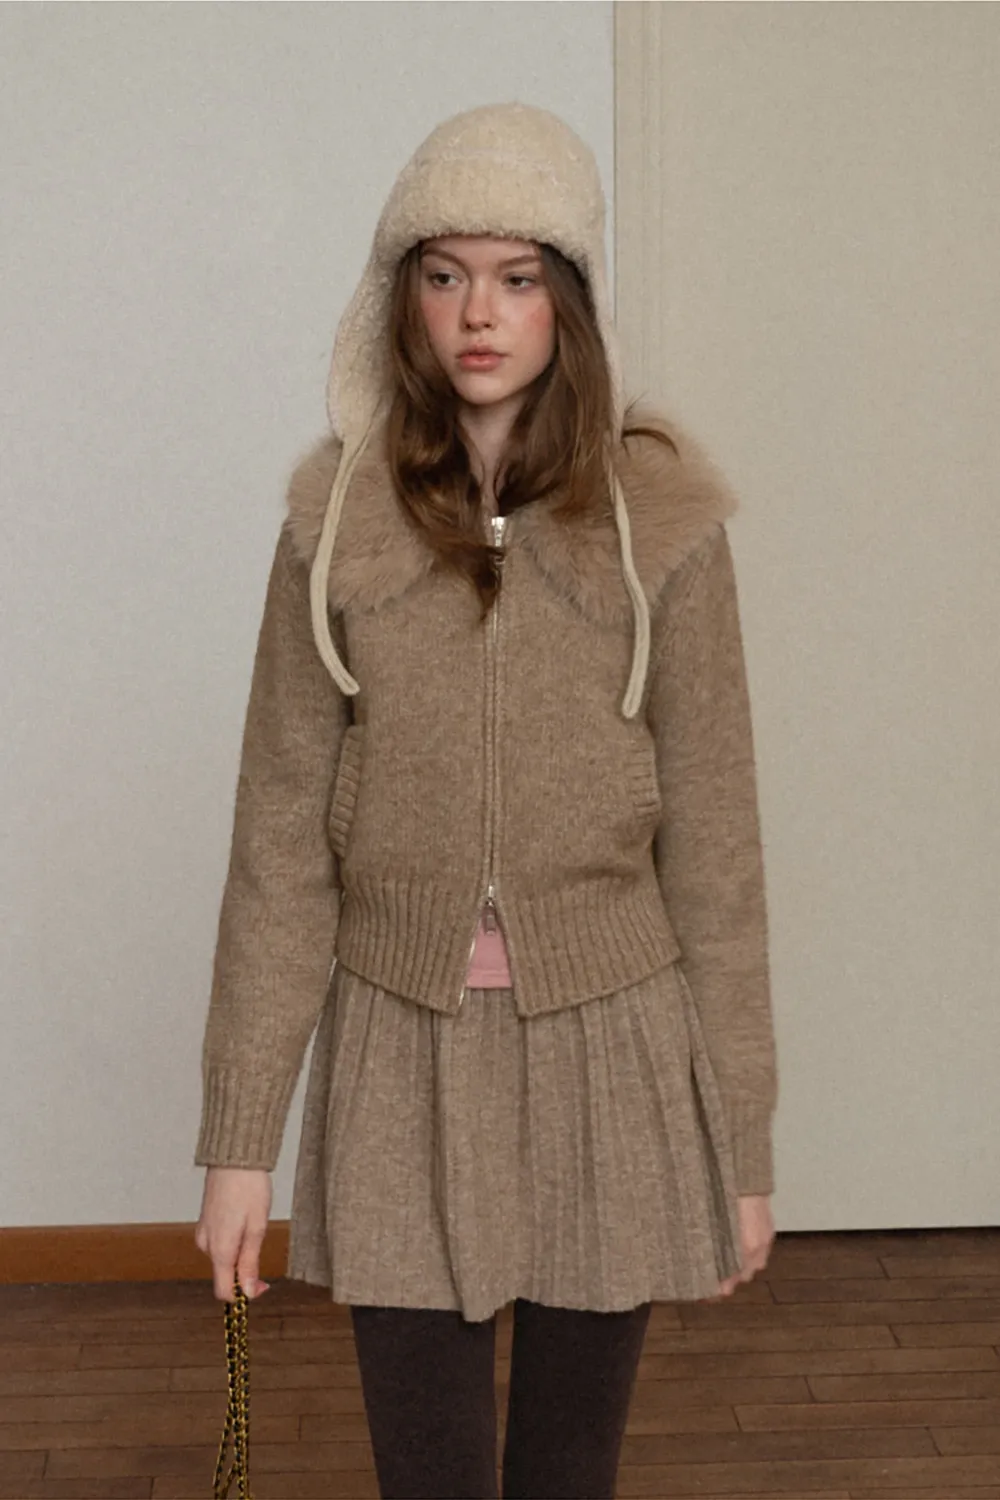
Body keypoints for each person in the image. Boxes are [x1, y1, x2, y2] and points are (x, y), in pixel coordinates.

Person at [193, 101, 779, 1500]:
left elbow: (718, 849)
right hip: (397, 1040)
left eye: (517, 278)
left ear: (568, 300)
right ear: (399, 297)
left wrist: (743, 1140)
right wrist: (239, 1144)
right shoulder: (335, 526)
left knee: (569, 1474)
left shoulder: (663, 526)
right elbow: (278, 845)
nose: (478, 313)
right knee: (431, 1476)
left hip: (613, 1041)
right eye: (445, 274)